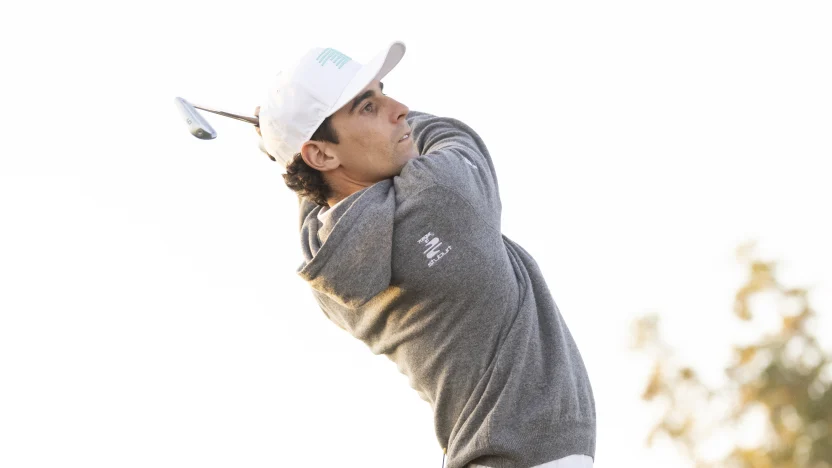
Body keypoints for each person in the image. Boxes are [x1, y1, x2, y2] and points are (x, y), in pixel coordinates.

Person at [254, 41, 596, 468]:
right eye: (367, 106)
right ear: (321, 153)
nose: (400, 108)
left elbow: (318, 194)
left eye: (383, 91)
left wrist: (287, 149)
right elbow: (451, 134)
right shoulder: (441, 193)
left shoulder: (325, 271)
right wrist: (289, 147)